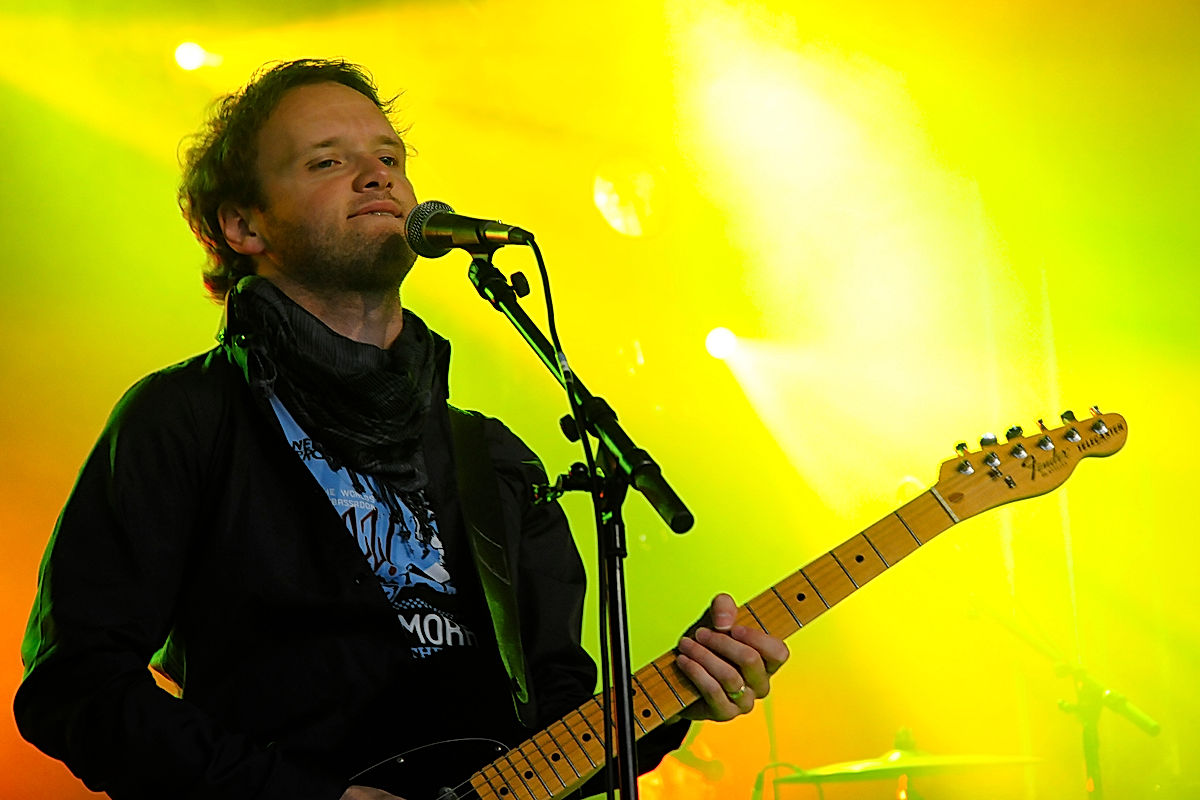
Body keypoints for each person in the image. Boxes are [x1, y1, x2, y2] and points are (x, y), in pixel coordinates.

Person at [14, 59, 789, 800]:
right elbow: (74, 684)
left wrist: (676, 699)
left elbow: (558, 734)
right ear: (243, 225)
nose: (378, 173)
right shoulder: (184, 420)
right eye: (326, 162)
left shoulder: (491, 459)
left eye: (389, 155)